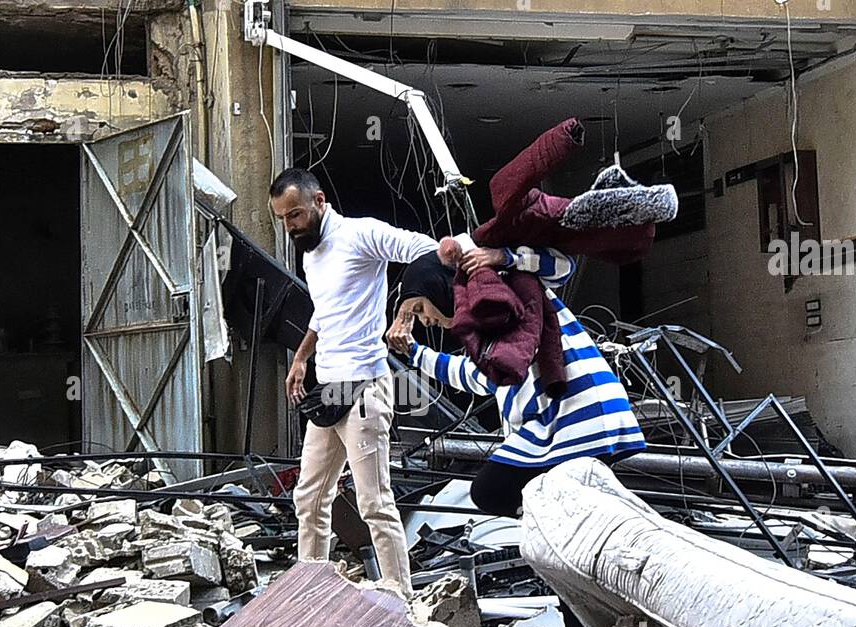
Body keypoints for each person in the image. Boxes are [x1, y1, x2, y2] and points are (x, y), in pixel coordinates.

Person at [269, 168, 438, 596]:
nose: (290, 226)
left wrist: (403, 315)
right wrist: (302, 356)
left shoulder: (361, 235)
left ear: (319, 201)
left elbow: (427, 251)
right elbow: (324, 310)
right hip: (329, 390)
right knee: (308, 498)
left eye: (296, 215)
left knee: (374, 504)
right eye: (283, 219)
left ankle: (402, 597)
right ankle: (310, 591)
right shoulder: (310, 253)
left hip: (364, 388)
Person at [387, 238, 645, 517]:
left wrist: (503, 256)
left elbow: (562, 265)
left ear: (437, 287)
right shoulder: (481, 325)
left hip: (574, 417)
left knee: (492, 492)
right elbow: (479, 378)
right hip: (575, 419)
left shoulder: (499, 287)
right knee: (542, 504)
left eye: (420, 308)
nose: (425, 321)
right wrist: (415, 352)